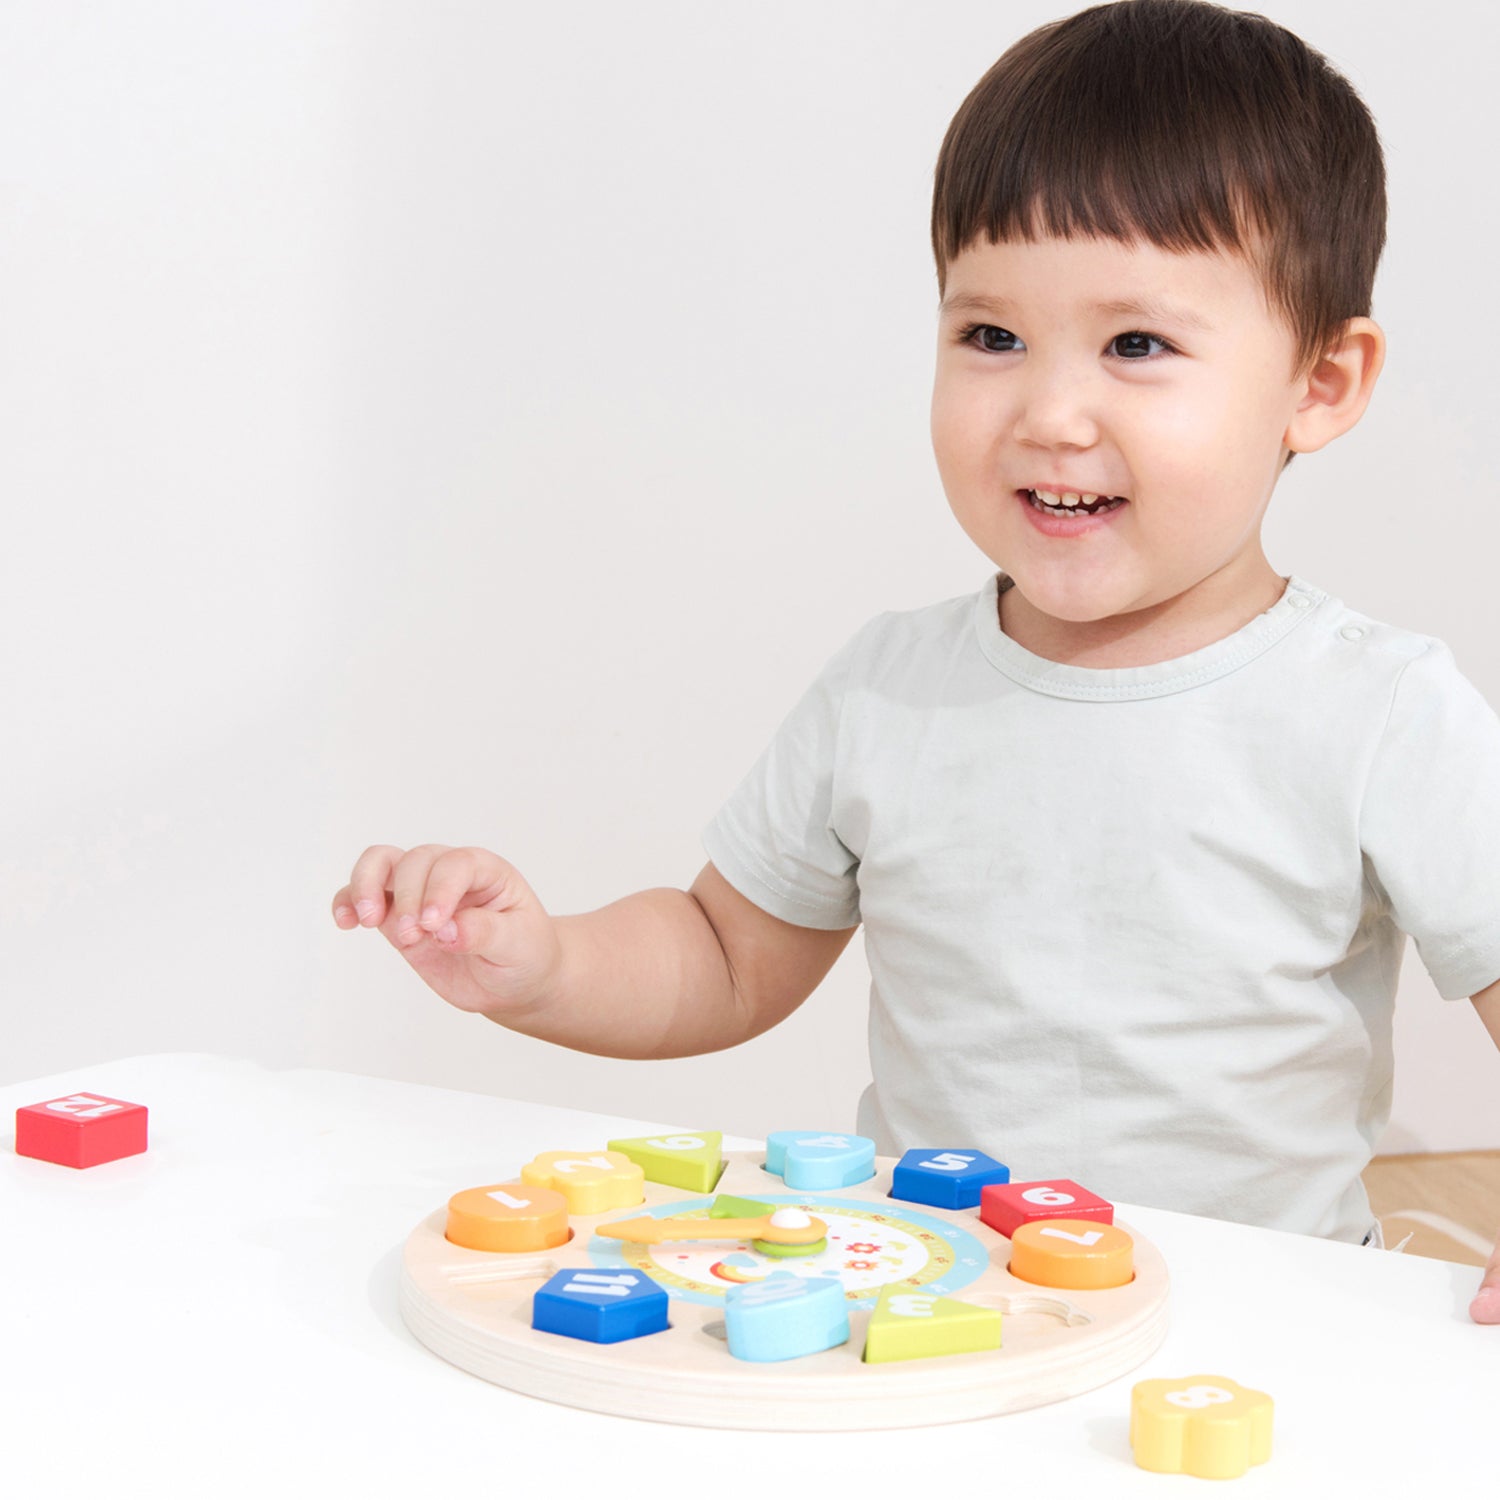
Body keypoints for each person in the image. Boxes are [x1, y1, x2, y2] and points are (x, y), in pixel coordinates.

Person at [331, 0, 1500, 1322]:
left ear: (1320, 385)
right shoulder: (893, 689)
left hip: (1259, 1326)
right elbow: (725, 955)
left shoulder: (1377, 711)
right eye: (990, 337)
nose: (1051, 415)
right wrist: (540, 963)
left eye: (1137, 346)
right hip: (935, 1318)